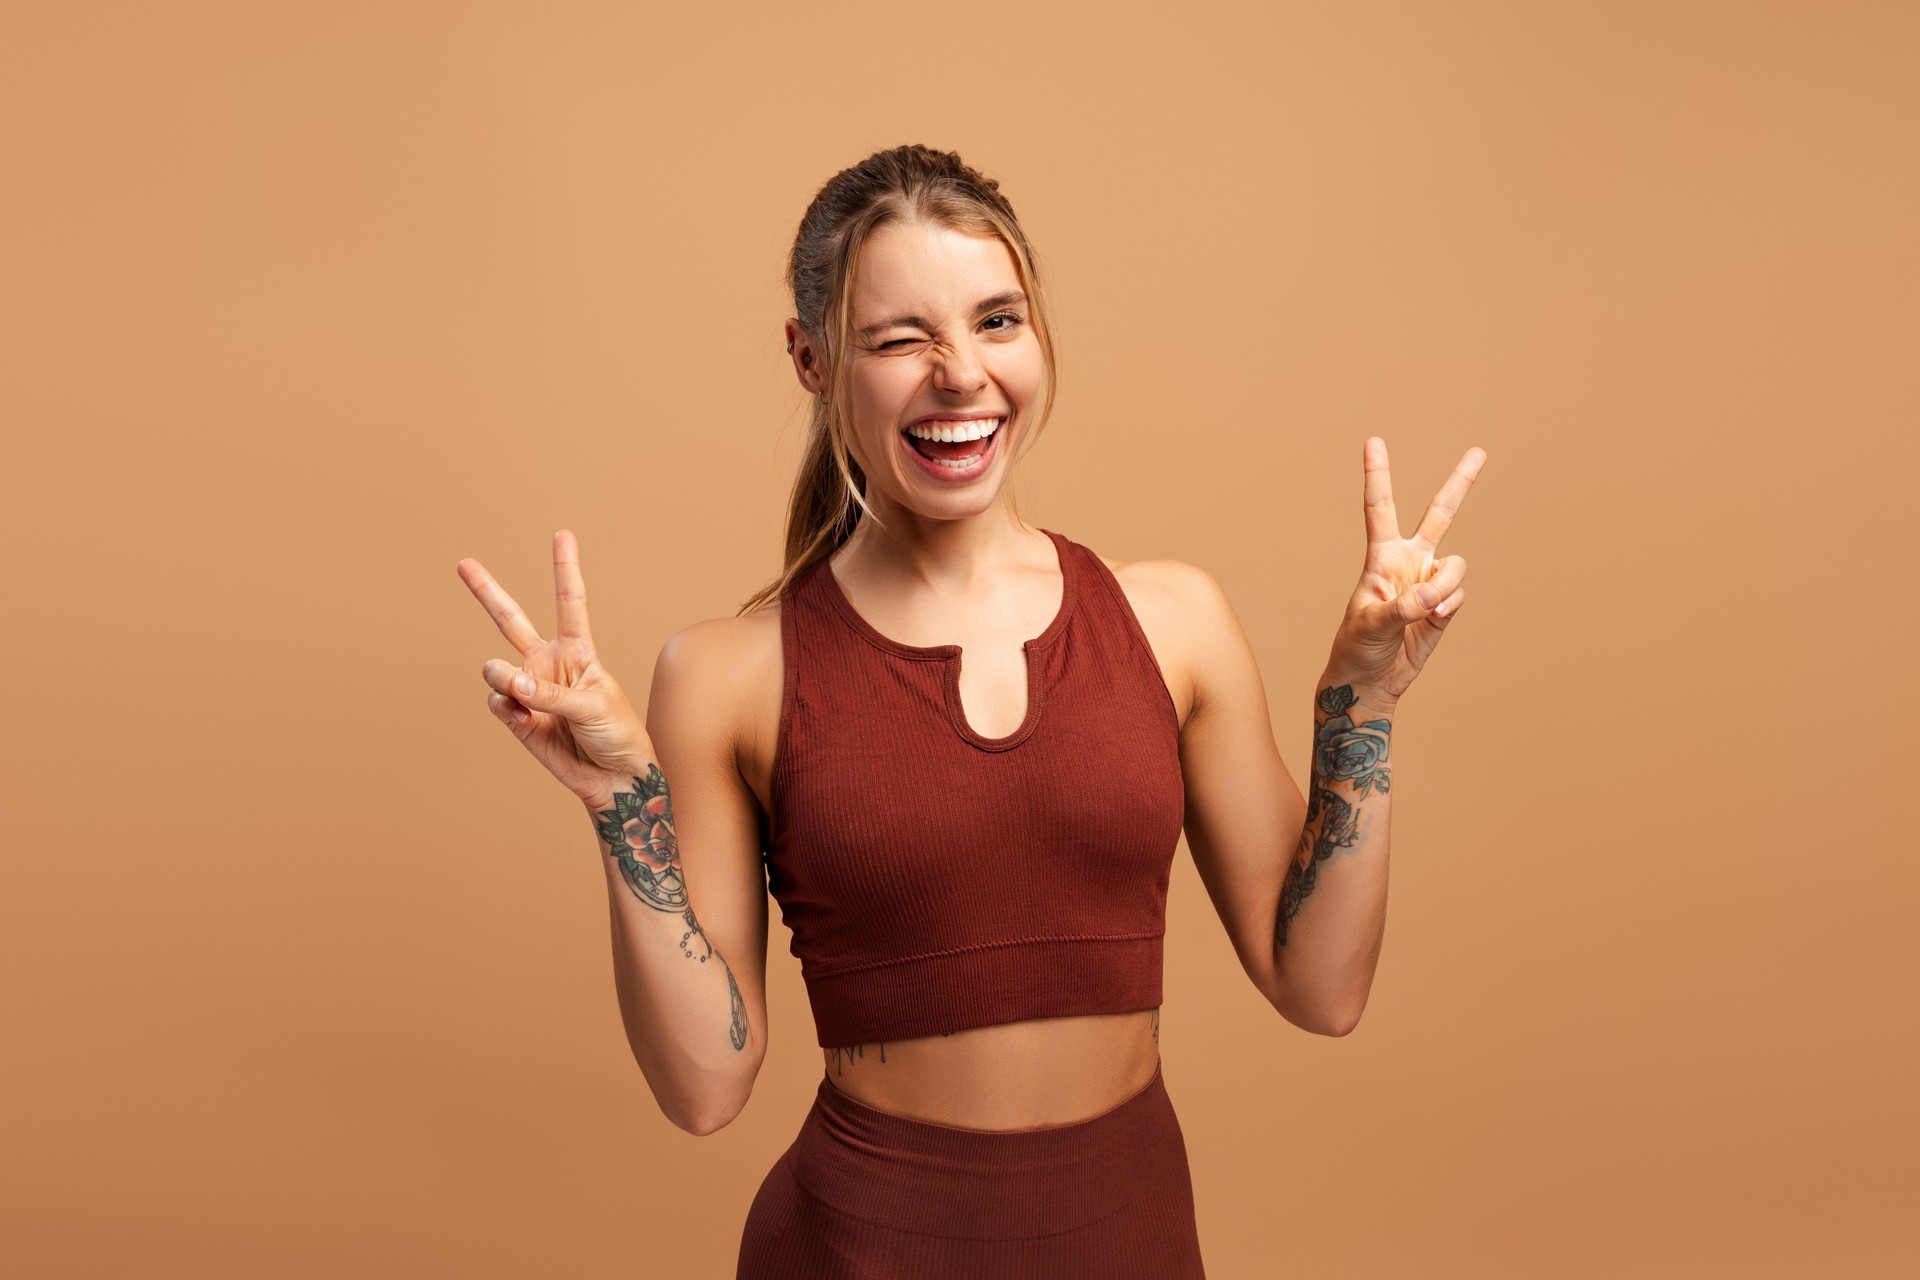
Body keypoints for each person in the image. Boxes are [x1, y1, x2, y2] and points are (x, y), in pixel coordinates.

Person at [456, 143, 1485, 1278]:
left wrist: (1365, 703)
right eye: (901, 339)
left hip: (1131, 1235)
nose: (960, 374)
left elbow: (1322, 985)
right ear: (810, 358)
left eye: (997, 321)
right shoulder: (726, 674)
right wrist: (619, 801)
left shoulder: (1172, 620)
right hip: (861, 1244)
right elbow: (707, 1084)